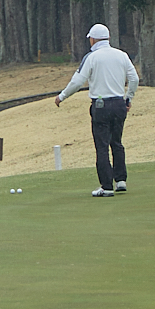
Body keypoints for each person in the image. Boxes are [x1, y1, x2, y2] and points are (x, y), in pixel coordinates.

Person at [56, 23, 139, 197]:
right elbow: (134, 79)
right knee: (117, 142)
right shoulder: (122, 55)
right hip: (119, 103)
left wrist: (62, 96)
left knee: (102, 146)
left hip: (101, 105)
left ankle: (107, 186)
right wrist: (128, 98)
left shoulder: (91, 57)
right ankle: (121, 180)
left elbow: (78, 82)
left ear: (93, 39)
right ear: (107, 38)